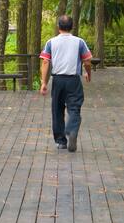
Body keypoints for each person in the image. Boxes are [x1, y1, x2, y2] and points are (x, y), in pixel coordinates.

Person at [39, 15, 92, 152]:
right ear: (72, 26)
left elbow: (45, 62)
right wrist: (88, 73)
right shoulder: (79, 42)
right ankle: (72, 129)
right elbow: (87, 61)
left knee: (57, 109)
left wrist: (44, 82)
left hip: (57, 80)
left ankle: (61, 141)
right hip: (74, 80)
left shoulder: (51, 42)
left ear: (58, 27)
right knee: (74, 107)